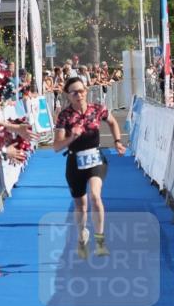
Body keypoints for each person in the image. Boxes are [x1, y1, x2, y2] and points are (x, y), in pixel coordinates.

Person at [51, 76, 126, 259]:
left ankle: (100, 240)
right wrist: (71, 137)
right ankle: (82, 233)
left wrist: (117, 141)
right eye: (75, 92)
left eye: (82, 91)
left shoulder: (97, 109)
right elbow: (56, 146)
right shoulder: (65, 116)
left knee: (95, 195)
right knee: (81, 206)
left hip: (95, 159)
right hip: (74, 162)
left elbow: (113, 122)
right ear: (68, 96)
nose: (80, 95)